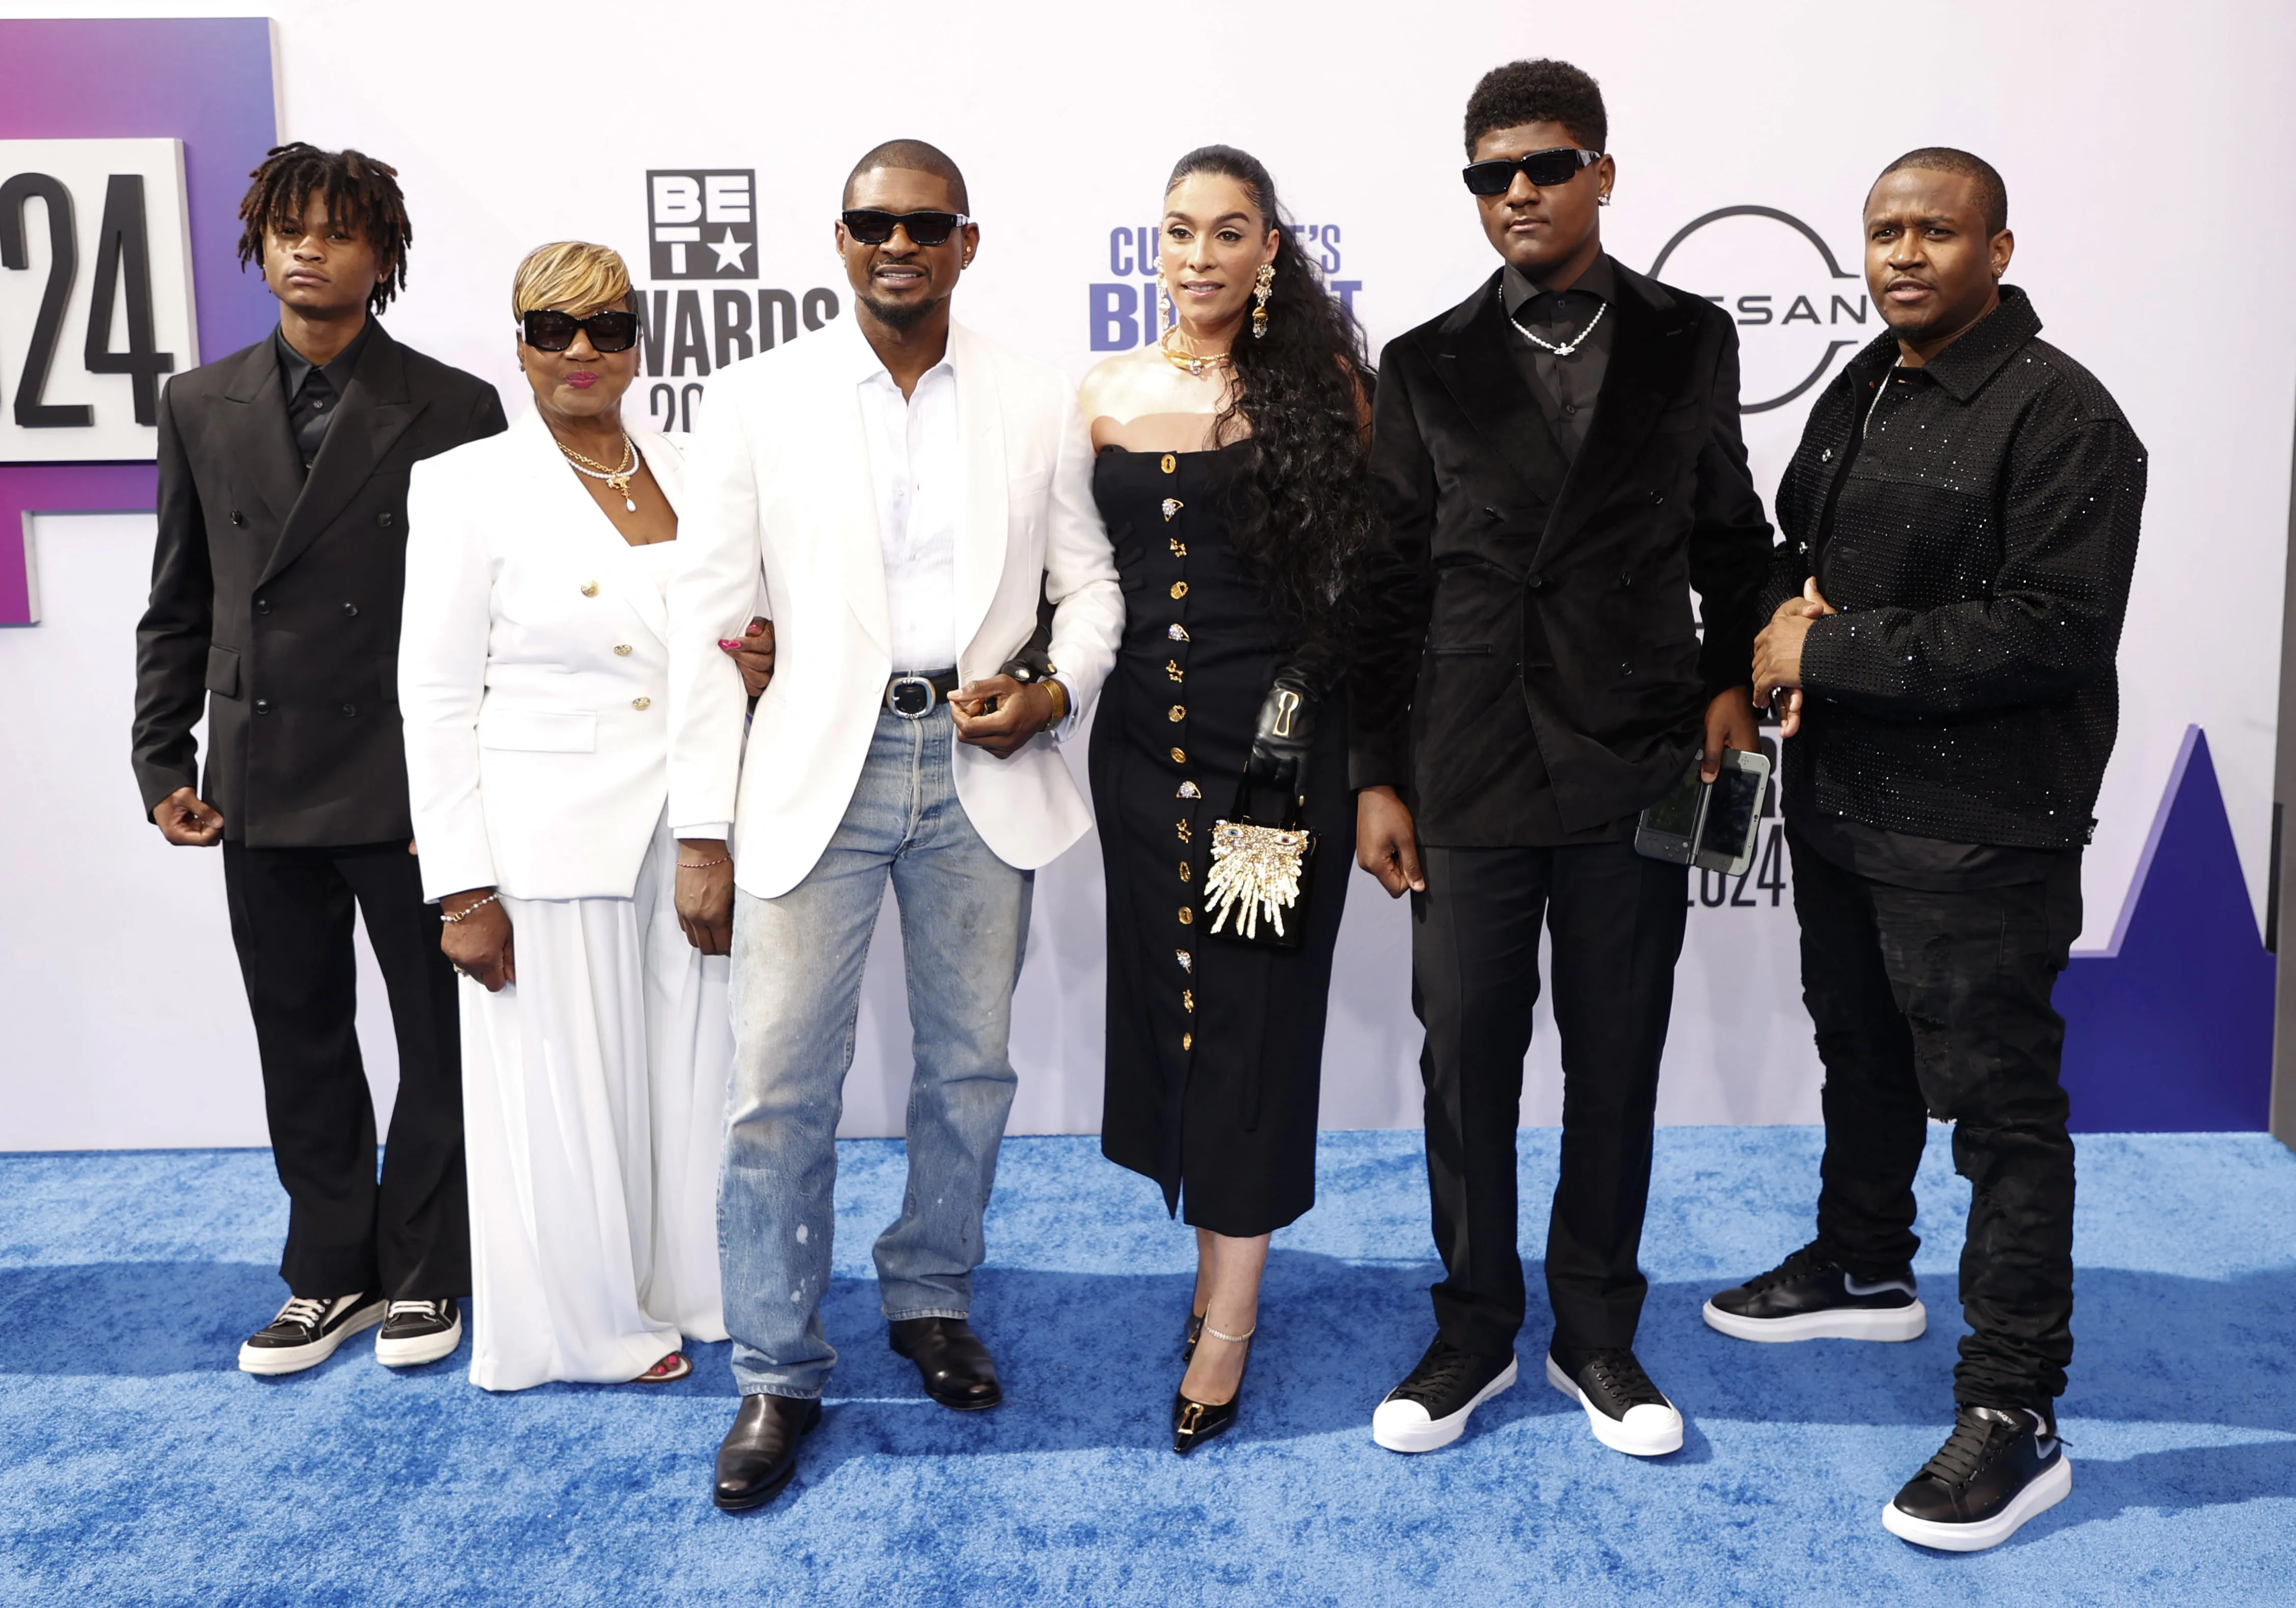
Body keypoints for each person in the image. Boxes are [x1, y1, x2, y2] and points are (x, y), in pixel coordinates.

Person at [668, 139, 1123, 1512]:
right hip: (818, 761)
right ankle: (776, 1366)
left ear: (967, 241)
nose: (898, 243)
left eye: (924, 223)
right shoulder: (757, 399)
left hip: (982, 762)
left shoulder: (1037, 399)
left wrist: (1050, 687)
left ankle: (930, 1295)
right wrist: (703, 826)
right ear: (842, 237)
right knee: (775, 1089)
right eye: (873, 222)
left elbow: (1089, 587)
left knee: (969, 1070)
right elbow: (707, 626)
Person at [1715, 149, 2145, 1552]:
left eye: (1936, 232)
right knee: (1861, 1049)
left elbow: (2051, 629)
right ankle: (1860, 1259)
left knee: (2003, 1117)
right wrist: (1787, 626)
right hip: (1840, 802)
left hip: (1979, 833)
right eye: (1884, 230)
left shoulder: (2065, 416)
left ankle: (2014, 1407)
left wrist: (1822, 644)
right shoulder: (1861, 378)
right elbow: (1795, 549)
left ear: (1998, 249)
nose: (1904, 253)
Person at [1351, 60, 1772, 1459]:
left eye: (1543, 165)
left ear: (1602, 172)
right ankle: (1472, 1328)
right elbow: (1386, 584)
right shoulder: (1420, 362)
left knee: (1615, 1055)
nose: (1516, 193)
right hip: (1464, 762)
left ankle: (1596, 1329)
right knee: (1463, 1058)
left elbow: (1727, 535)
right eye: (1489, 174)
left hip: (1641, 756)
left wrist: (1730, 678)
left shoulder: (1688, 339)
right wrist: (1373, 772)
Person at [132, 144, 505, 1375]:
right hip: (258, 772)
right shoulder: (199, 402)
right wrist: (161, 761)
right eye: (289, 229)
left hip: (407, 779)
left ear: (382, 256)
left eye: (338, 232)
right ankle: (325, 1270)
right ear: (259, 245)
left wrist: (472, 788)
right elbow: (177, 601)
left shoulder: (453, 407)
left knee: (438, 1036)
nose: (309, 250)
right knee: (297, 1029)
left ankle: (431, 1267)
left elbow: (490, 619)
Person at [1077, 146, 1373, 1455]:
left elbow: (1356, 602)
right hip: (1142, 766)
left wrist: (1290, 732)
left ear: (1270, 253)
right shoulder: (1101, 393)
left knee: (1250, 1019)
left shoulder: (1327, 398)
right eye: (1180, 230)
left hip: (1272, 773)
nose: (1199, 255)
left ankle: (1232, 1320)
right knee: (1176, 1014)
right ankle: (1212, 1270)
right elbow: (1073, 581)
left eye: (1229, 231)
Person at [396, 242, 731, 1390]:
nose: (581, 352)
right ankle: (584, 1332)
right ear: (521, 343)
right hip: (543, 833)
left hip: (689, 823)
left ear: (643, 342)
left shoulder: (698, 465)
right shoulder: (464, 482)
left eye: (609, 328)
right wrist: (462, 887)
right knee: (561, 1095)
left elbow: (732, 640)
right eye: (553, 329)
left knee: (691, 1080)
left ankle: (690, 1288)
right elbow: (434, 696)